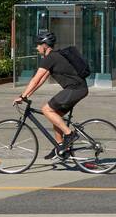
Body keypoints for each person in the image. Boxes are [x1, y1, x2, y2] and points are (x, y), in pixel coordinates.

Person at [14, 30, 88, 159]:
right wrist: (27, 95)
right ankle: (60, 148)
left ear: (45, 45)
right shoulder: (54, 57)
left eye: (38, 45)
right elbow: (41, 80)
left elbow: (35, 79)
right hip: (78, 89)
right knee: (56, 116)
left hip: (75, 89)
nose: (37, 48)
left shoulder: (51, 58)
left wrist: (22, 96)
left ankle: (70, 134)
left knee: (46, 109)